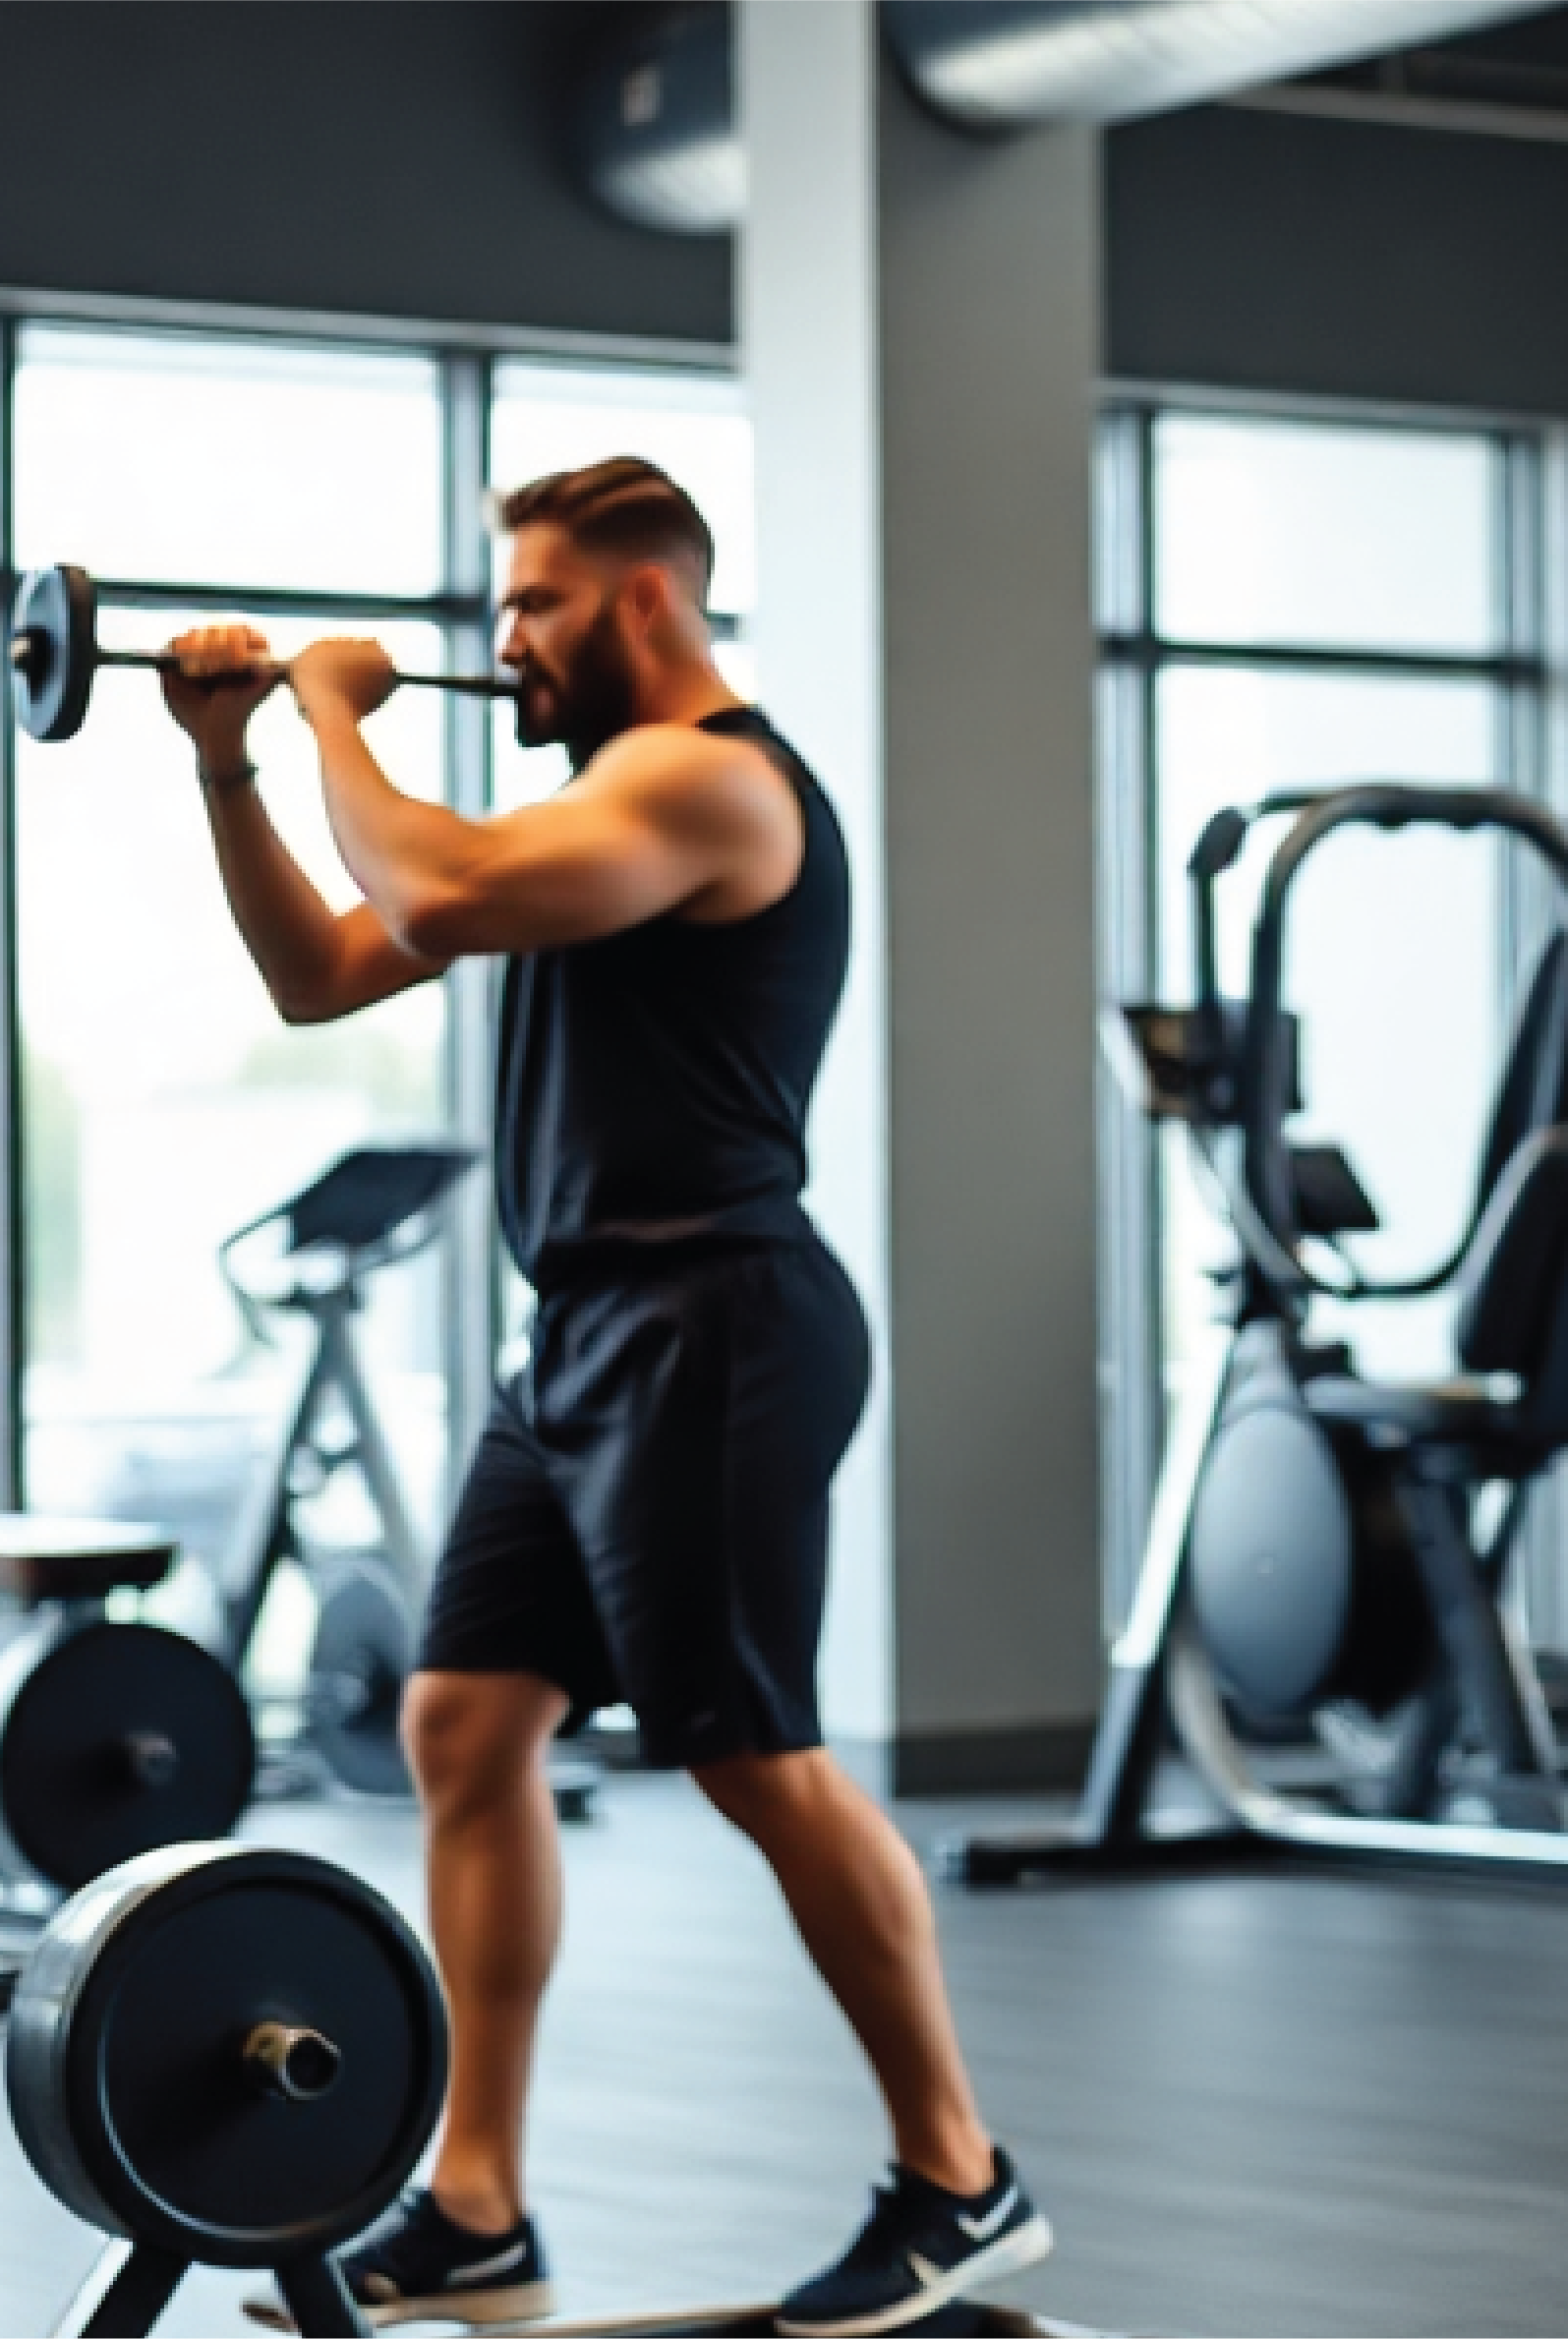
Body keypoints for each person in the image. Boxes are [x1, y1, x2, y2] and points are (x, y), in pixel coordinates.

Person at [168, 456, 1046, 2339]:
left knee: (754, 1753)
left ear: (644, 605)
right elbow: (327, 965)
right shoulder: (592, 823)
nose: (505, 643)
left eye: (535, 606)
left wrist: (326, 706)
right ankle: (476, 2204)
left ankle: (961, 2179)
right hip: (579, 1337)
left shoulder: (707, 784)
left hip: (716, 1324)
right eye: (503, 608)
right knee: (467, 1722)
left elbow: (435, 878)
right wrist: (231, 764)